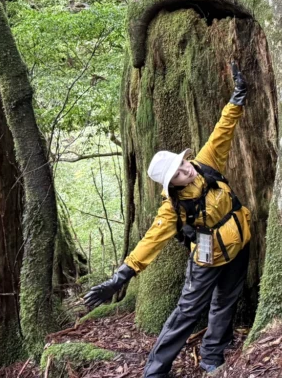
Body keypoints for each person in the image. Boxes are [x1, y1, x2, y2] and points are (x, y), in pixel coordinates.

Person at [84, 61, 252, 376]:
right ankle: (156, 370)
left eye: (182, 164)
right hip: (207, 253)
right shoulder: (172, 207)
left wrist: (237, 98)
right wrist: (121, 276)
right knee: (187, 312)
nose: (185, 170)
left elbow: (222, 131)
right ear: (170, 183)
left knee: (227, 300)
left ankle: (212, 355)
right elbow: (152, 240)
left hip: (239, 244)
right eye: (177, 173)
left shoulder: (205, 164)